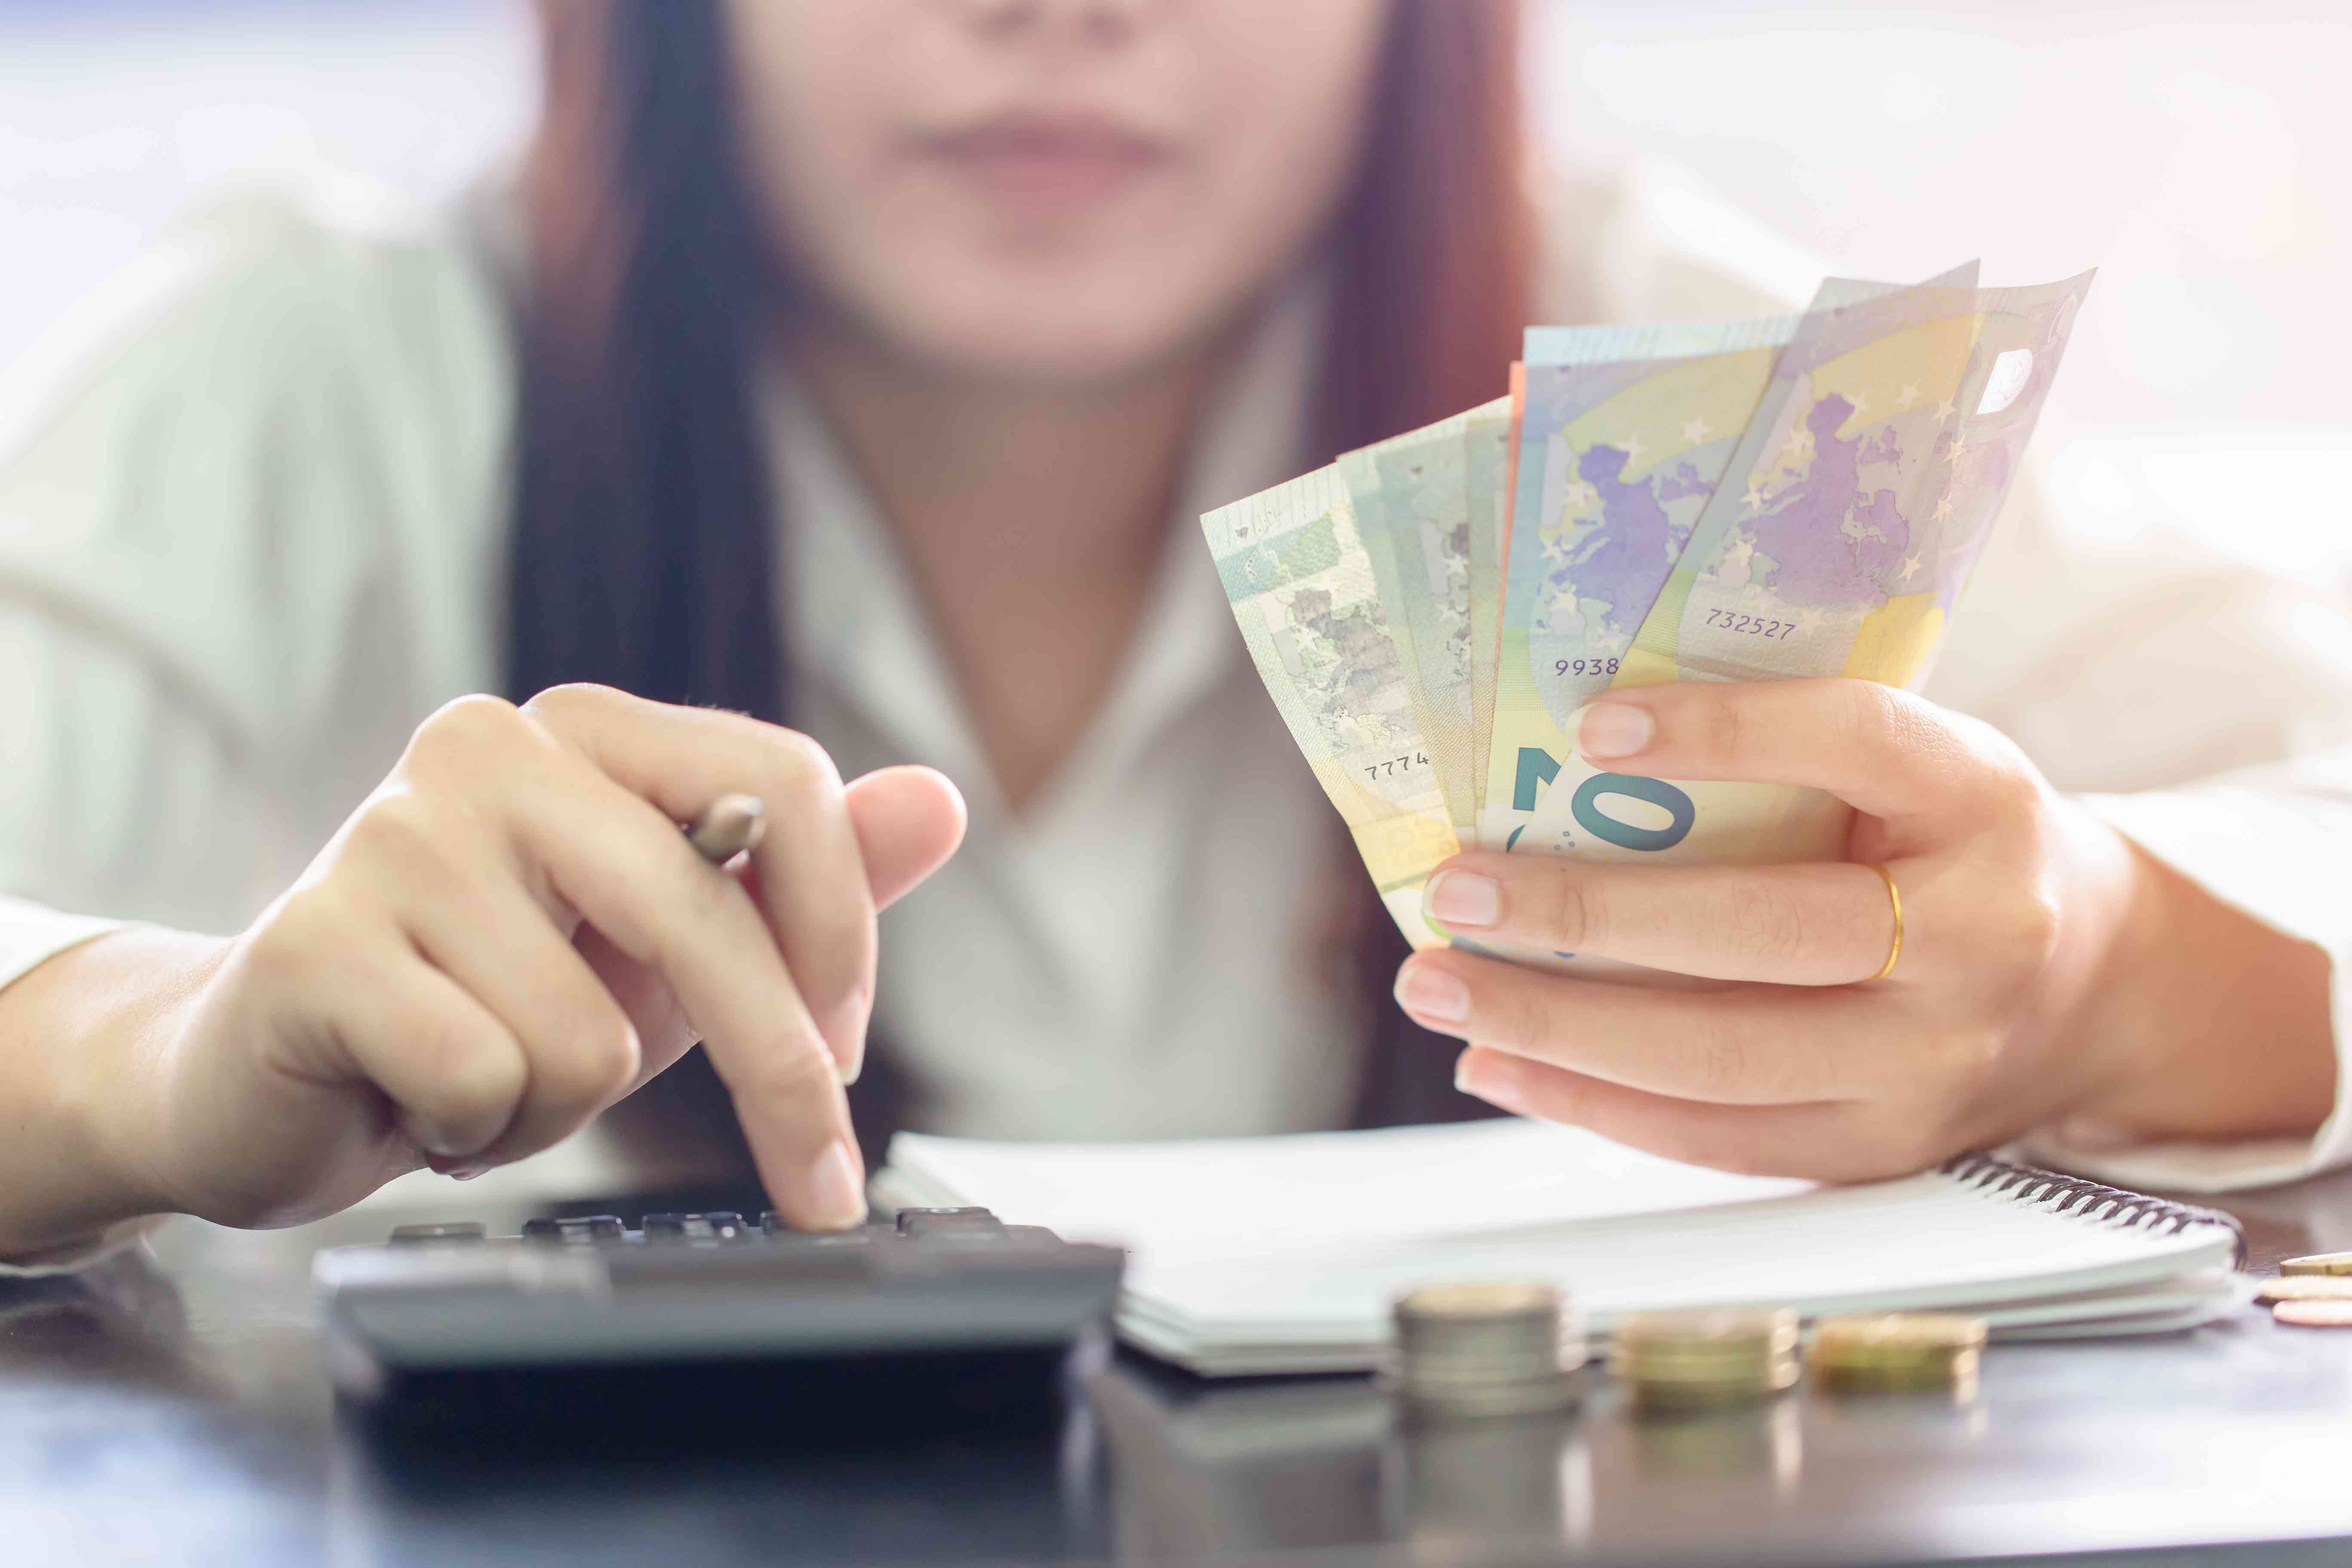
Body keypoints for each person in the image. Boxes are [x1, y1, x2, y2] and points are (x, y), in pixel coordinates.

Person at [0, 0, 2345, 1270]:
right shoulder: (324, 376)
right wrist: (154, 1056)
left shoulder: (1689, 386)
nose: (1060, 20)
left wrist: (2111, 972)